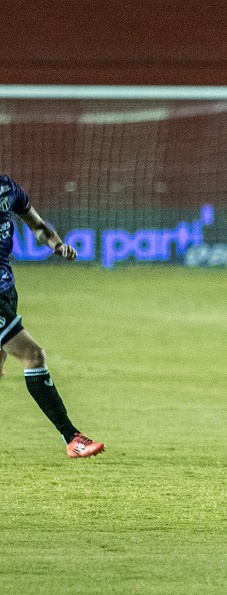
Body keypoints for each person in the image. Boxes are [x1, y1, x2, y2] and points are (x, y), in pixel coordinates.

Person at [0, 175, 105, 458]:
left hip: (6, 289)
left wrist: (56, 245)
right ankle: (72, 438)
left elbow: (38, 225)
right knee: (33, 356)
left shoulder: (8, 189)